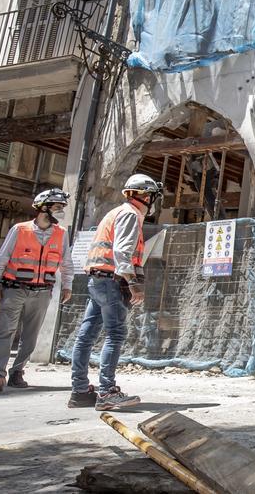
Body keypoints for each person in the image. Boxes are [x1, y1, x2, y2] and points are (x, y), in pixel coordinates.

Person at [68, 174, 163, 411]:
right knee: (116, 334)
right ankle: (107, 392)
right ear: (146, 195)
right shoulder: (131, 215)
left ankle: (79, 391)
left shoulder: (115, 213)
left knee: (86, 335)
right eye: (152, 196)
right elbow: (122, 252)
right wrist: (133, 283)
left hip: (97, 281)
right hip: (111, 282)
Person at [0, 189, 74, 393]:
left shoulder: (61, 234)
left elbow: (66, 263)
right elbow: (1, 258)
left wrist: (67, 285)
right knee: (6, 331)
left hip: (42, 292)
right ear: (43, 208)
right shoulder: (20, 230)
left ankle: (17, 371)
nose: (60, 211)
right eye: (57, 207)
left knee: (31, 335)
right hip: (15, 289)